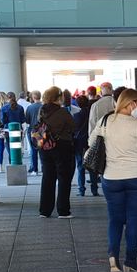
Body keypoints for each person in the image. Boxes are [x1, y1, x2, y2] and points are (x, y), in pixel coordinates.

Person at [89, 88, 137, 272]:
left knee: (115, 219)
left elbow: (91, 142)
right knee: (134, 220)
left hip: (111, 177)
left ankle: (113, 256)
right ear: (130, 103)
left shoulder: (105, 120)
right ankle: (130, 260)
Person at [37, 87, 77, 219]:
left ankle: (44, 211)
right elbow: (73, 127)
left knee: (47, 178)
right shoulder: (63, 112)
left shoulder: (41, 111)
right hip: (62, 147)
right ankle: (63, 210)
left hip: (45, 147)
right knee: (64, 178)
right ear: (58, 97)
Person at [0, 92, 26, 170]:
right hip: (18, 130)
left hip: (8, 130)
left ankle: (12, 163)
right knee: (17, 147)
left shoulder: (4, 108)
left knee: (10, 148)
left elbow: (2, 121)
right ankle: (17, 163)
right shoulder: (20, 108)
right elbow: (23, 119)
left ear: (7, 98)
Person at [72, 96, 92, 196]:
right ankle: (94, 189)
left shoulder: (76, 116)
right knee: (93, 165)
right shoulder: (91, 114)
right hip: (90, 141)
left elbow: (73, 130)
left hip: (79, 142)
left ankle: (82, 189)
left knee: (80, 166)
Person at [25, 90, 43, 175]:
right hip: (41, 131)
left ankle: (35, 169)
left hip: (32, 130)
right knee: (42, 150)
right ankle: (44, 168)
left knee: (33, 150)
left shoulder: (30, 107)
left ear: (33, 97)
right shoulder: (43, 107)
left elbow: (27, 120)